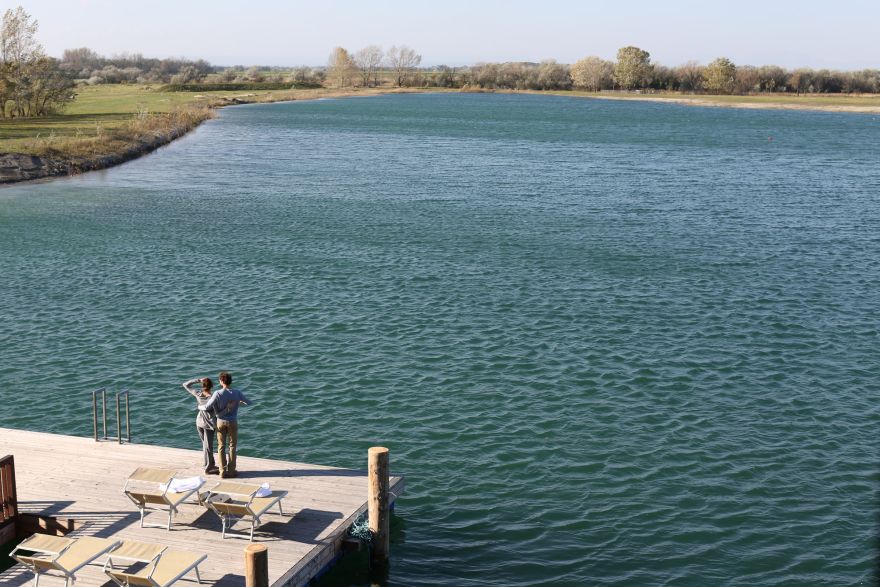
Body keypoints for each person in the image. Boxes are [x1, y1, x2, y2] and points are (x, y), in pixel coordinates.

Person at [201, 371, 252, 478]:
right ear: (230, 381)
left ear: (221, 381)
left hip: (220, 422)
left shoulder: (217, 393)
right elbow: (249, 402)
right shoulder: (237, 393)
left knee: (221, 446)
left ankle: (222, 471)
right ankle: (232, 470)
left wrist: (199, 407)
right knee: (232, 446)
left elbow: (207, 407)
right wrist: (239, 401)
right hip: (233, 422)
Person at [182, 376, 219, 474]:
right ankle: (208, 468)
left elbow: (185, 384)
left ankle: (210, 463)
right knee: (208, 446)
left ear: (202, 386)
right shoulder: (212, 398)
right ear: (211, 386)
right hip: (208, 424)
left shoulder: (198, 394)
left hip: (199, 422)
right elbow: (218, 411)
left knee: (205, 445)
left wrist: (198, 380)